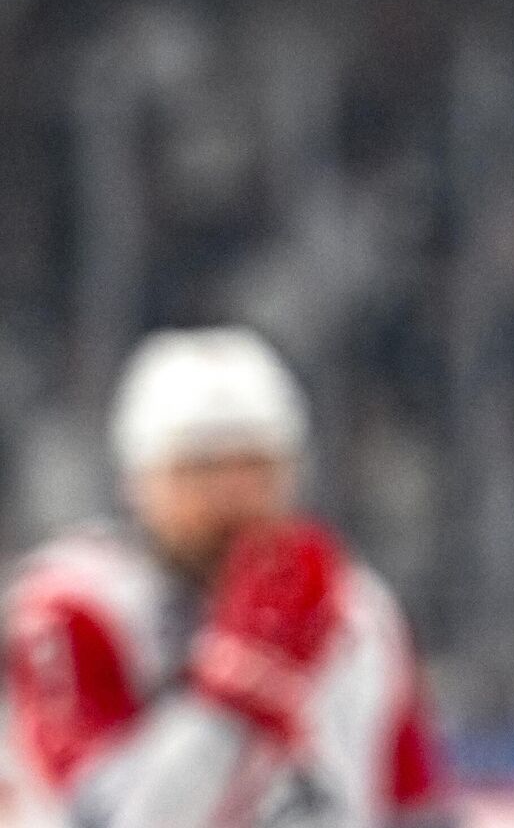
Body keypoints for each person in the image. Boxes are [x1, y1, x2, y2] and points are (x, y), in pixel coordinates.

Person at [4, 328, 456, 827]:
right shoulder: (72, 607)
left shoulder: (358, 608)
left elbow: (417, 809)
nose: (231, 496)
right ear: (139, 480)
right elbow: (100, 818)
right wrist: (245, 683)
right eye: (201, 469)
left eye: (256, 468)